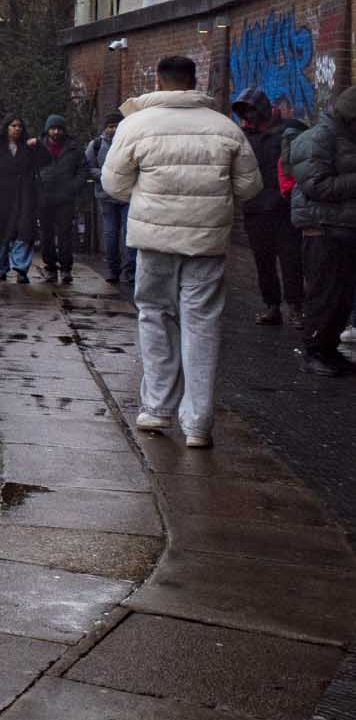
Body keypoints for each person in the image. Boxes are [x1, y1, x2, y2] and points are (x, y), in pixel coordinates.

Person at [100, 54, 261, 449]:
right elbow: (250, 187)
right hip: (206, 242)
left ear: (158, 80)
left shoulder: (135, 126)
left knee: (155, 316)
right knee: (202, 324)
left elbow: (113, 185)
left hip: (153, 242)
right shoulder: (226, 129)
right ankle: (198, 424)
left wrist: (148, 199)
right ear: (195, 81)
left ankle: (156, 408)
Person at [287, 86, 356, 377]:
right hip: (323, 229)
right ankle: (314, 351)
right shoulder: (318, 138)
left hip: (344, 227)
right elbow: (317, 186)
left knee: (341, 297)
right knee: (324, 294)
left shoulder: (344, 137)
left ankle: (328, 351)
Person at [231, 90, 306, 326]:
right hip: (255, 209)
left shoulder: (291, 130)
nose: (248, 117)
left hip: (284, 209)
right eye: (244, 112)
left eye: (252, 110)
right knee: (263, 262)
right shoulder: (243, 137)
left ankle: (296, 307)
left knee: (291, 261)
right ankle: (272, 306)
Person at [0, 117, 41, 284]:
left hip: (23, 197)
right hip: (0, 198)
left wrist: (38, 146)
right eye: (13, 126)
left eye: (20, 126)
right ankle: (0, 267)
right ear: (6, 128)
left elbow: (45, 161)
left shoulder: (28, 148)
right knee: (0, 234)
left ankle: (20, 268)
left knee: (24, 232)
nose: (17, 129)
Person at [32, 115, 89, 286]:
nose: (56, 132)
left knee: (65, 234)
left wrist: (74, 186)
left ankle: (66, 268)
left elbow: (83, 170)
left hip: (65, 198)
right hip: (44, 196)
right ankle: (50, 267)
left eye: (59, 128)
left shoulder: (74, 148)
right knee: (46, 234)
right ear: (47, 130)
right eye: (52, 128)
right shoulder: (38, 147)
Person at [86, 119, 134, 292]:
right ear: (104, 127)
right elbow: (88, 166)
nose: (113, 129)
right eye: (110, 126)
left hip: (127, 196)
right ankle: (113, 270)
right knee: (110, 234)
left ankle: (130, 271)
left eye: (116, 126)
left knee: (130, 235)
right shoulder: (96, 145)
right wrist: (106, 175)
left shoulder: (130, 142)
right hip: (106, 196)